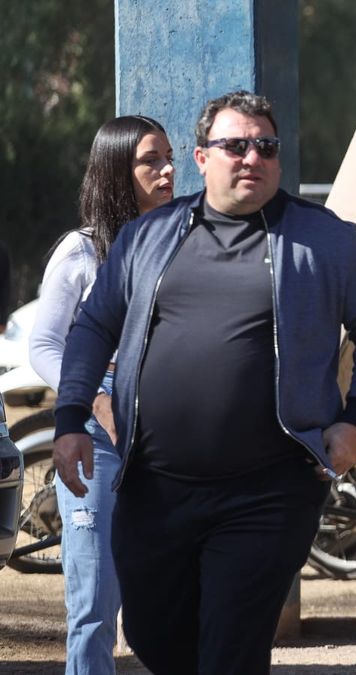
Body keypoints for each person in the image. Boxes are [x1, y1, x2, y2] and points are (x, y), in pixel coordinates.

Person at [51, 90, 356, 674]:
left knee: (231, 648)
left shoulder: (324, 239)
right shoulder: (150, 237)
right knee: (150, 633)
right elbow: (92, 327)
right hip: (155, 487)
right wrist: (70, 419)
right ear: (200, 157)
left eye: (265, 146)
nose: (252, 157)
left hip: (269, 489)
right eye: (235, 145)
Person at [28, 115, 174, 674]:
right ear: (117, 171)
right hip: (96, 434)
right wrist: (92, 397)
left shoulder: (179, 242)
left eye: (168, 157)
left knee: (177, 590)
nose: (166, 170)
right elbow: (43, 346)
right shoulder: (82, 251)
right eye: (150, 161)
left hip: (169, 425)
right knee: (93, 598)